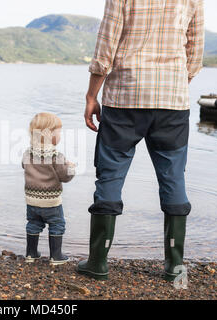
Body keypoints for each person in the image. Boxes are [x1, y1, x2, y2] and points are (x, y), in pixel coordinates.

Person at [77, 0, 205, 280]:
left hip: (125, 96)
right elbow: (195, 50)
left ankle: (98, 262)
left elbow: (106, 46)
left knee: (110, 176)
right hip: (172, 100)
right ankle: (175, 266)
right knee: (173, 177)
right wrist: (176, 83)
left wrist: (91, 95)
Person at [22, 113, 76, 265]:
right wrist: (71, 167)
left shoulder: (28, 153)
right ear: (49, 135)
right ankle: (56, 256)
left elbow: (23, 166)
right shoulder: (56, 156)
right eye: (58, 132)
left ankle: (31, 254)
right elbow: (65, 177)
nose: (60, 135)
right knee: (57, 224)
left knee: (33, 223)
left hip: (31, 200)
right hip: (51, 202)